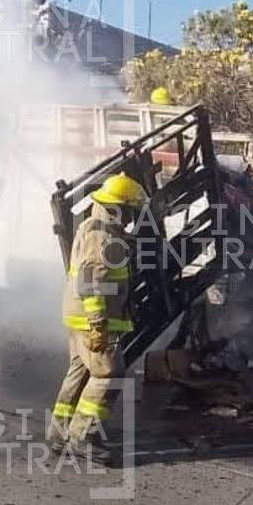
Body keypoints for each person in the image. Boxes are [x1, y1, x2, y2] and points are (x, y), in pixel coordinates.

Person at [47, 173, 145, 462]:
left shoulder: (95, 227)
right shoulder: (103, 236)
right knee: (108, 375)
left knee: (78, 372)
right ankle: (82, 436)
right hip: (93, 319)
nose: (130, 218)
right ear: (116, 208)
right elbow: (90, 281)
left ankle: (59, 431)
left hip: (78, 317)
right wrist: (98, 324)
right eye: (129, 211)